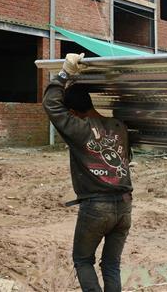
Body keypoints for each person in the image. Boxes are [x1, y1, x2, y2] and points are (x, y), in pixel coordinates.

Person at [42, 52, 133, 292]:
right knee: (111, 264)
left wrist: (64, 74)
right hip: (124, 206)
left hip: (96, 207)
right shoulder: (119, 126)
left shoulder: (79, 129)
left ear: (73, 112)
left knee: (83, 260)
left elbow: (51, 105)